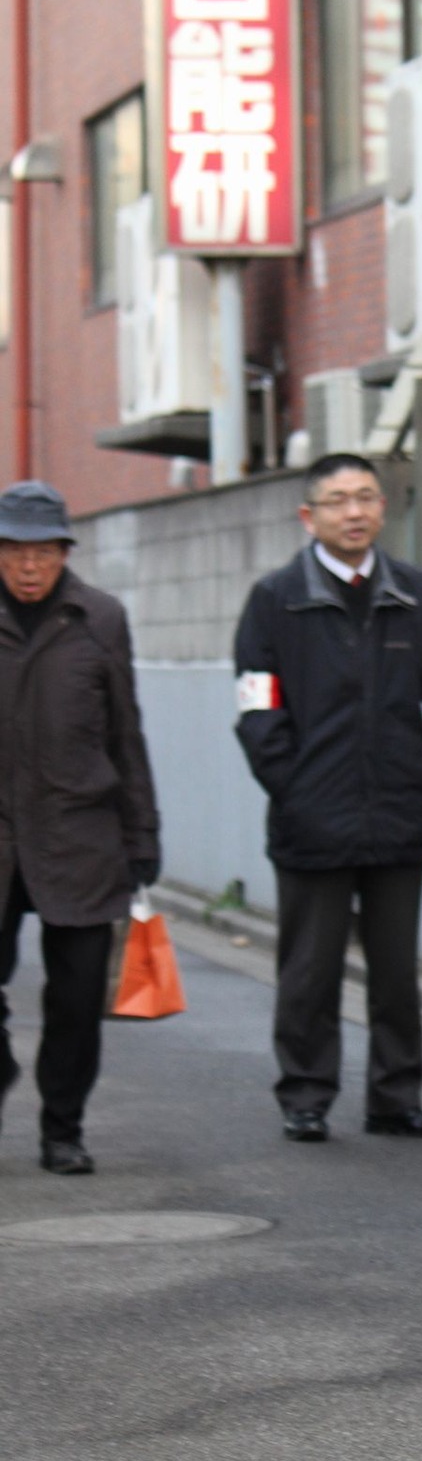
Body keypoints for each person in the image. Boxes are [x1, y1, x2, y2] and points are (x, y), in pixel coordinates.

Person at [234, 452, 422, 1144]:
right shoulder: (275, 599)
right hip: (311, 819)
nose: (354, 511)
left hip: (398, 813)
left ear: (381, 508)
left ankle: (396, 1098)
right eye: (338, 500)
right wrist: (294, 790)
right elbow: (257, 711)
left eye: (366, 497)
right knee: (309, 970)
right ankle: (306, 1095)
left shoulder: (419, 594)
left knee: (396, 973)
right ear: (309, 515)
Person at [0, 481, 161, 1174]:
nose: (29, 566)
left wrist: (142, 838)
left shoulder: (101, 618)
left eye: (43, 552)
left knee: (75, 999)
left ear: (65, 551)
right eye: (13, 552)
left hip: (80, 836)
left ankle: (62, 1130)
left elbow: (127, 735)